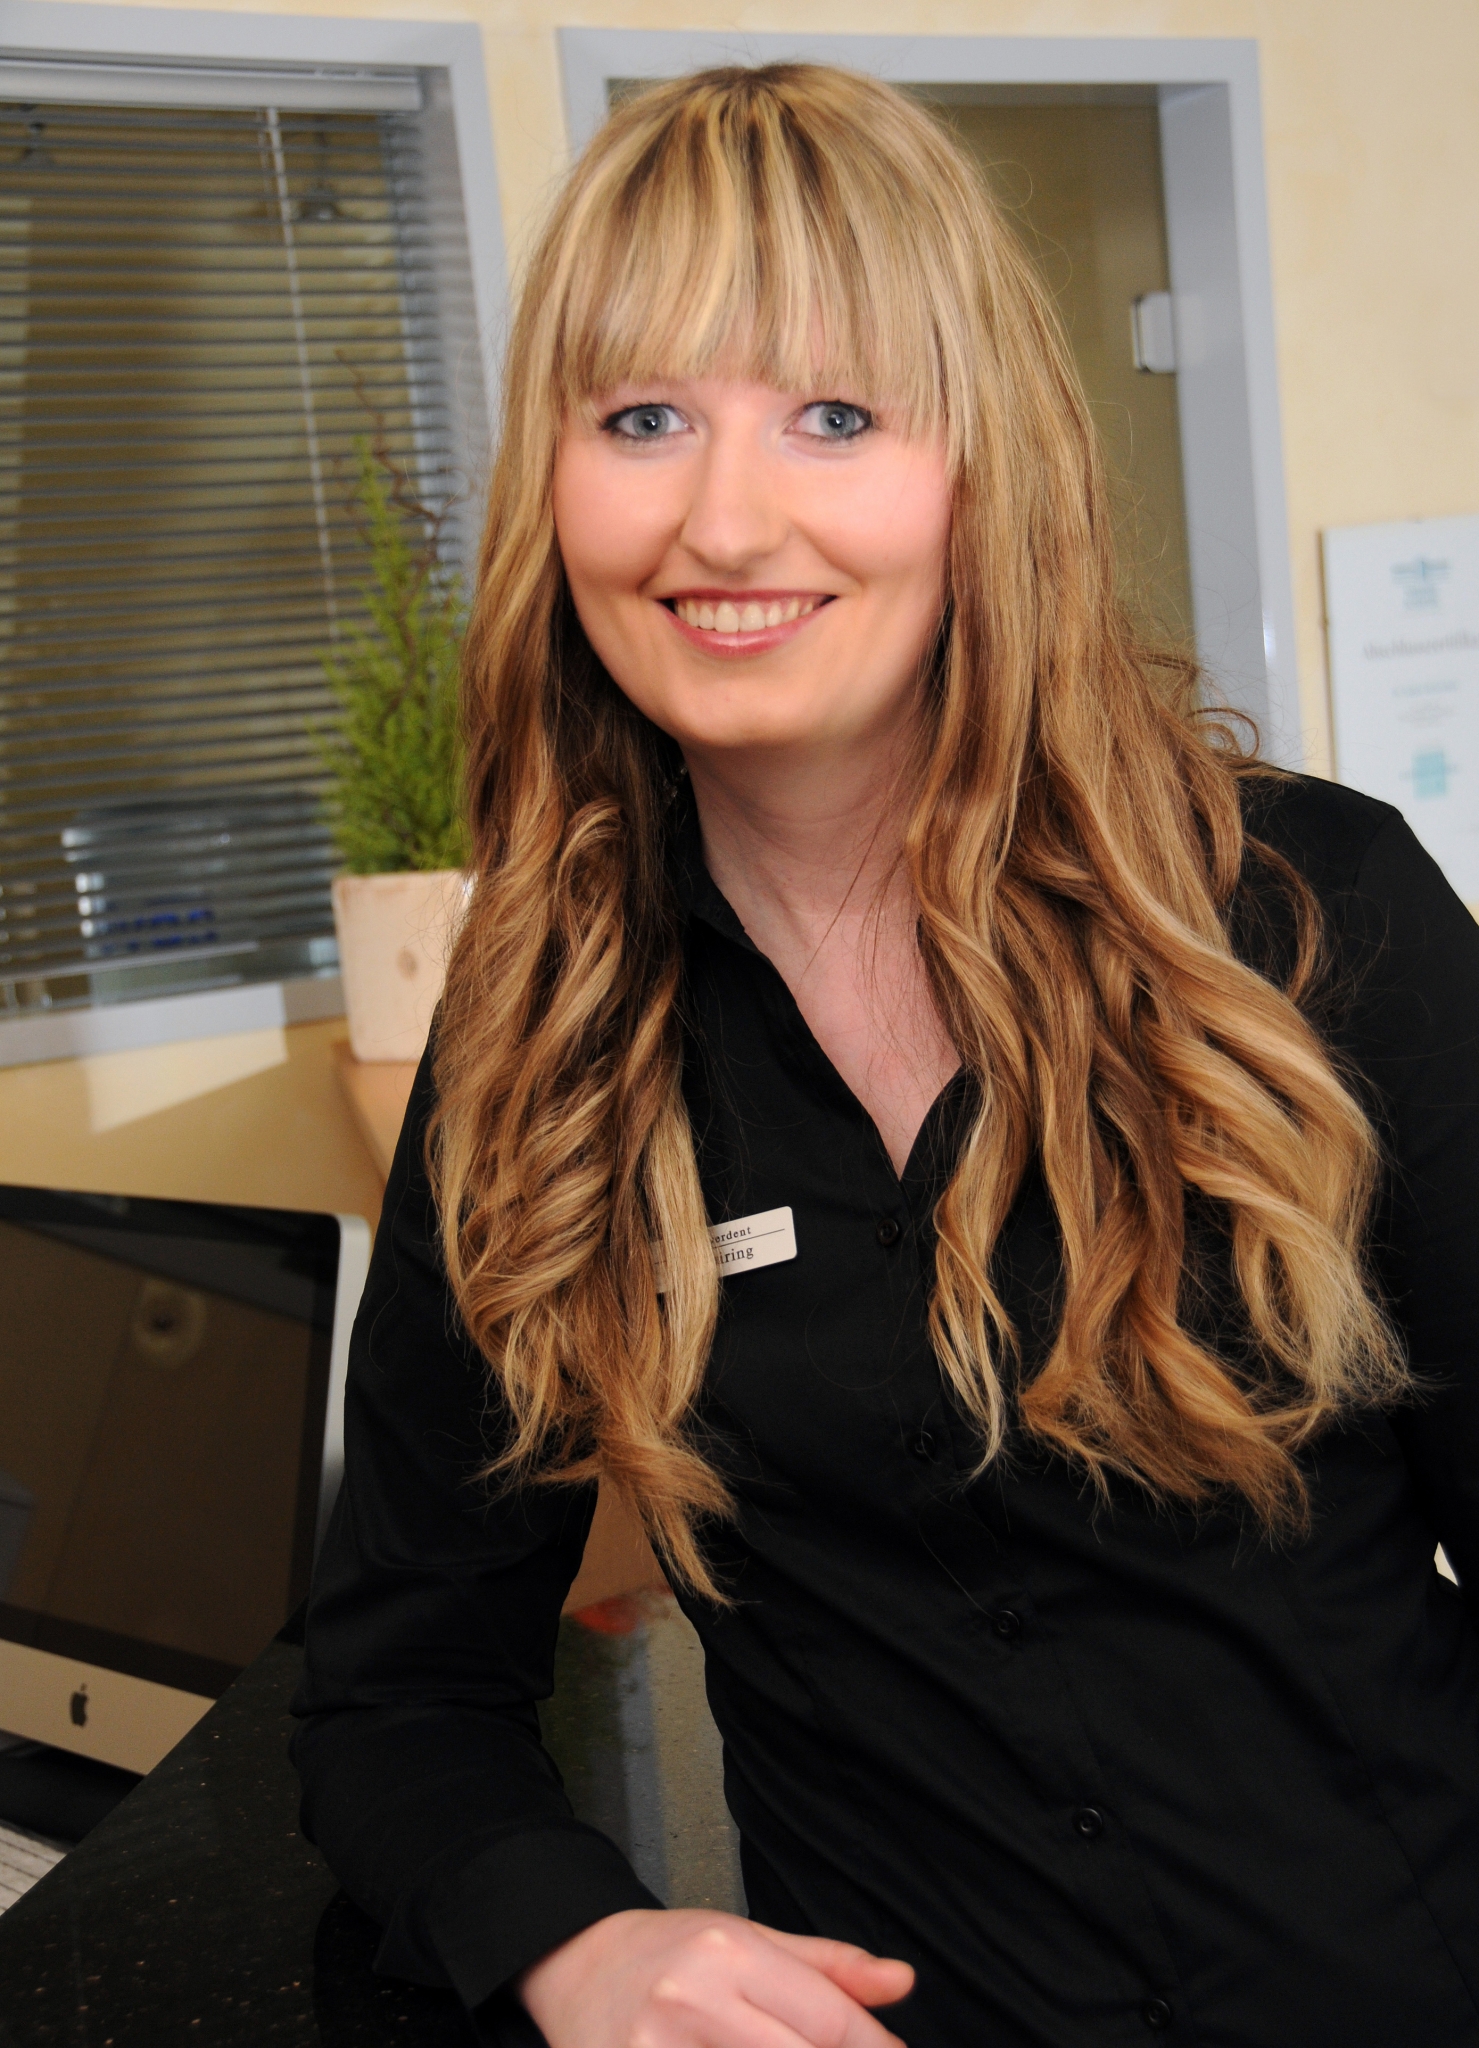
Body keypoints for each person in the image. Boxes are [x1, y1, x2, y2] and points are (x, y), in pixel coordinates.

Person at [291, 62, 1479, 2048]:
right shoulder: (537, 1031)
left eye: (832, 416)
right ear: (553, 484)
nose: (723, 517)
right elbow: (395, 1686)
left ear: (976, 469)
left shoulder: (1308, 918)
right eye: (641, 418)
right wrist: (583, 1940)